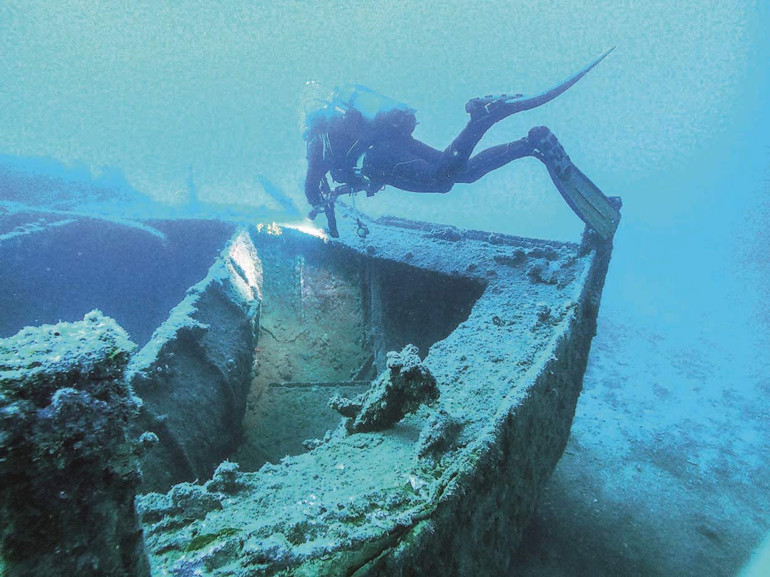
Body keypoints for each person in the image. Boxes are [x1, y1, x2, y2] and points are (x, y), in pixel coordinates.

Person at [304, 49, 620, 239]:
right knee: (462, 172)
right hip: (391, 141)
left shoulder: (318, 141)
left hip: (376, 159)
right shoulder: (346, 123)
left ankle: (480, 119)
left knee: (441, 181)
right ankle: (530, 144)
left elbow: (311, 187)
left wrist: (320, 207)